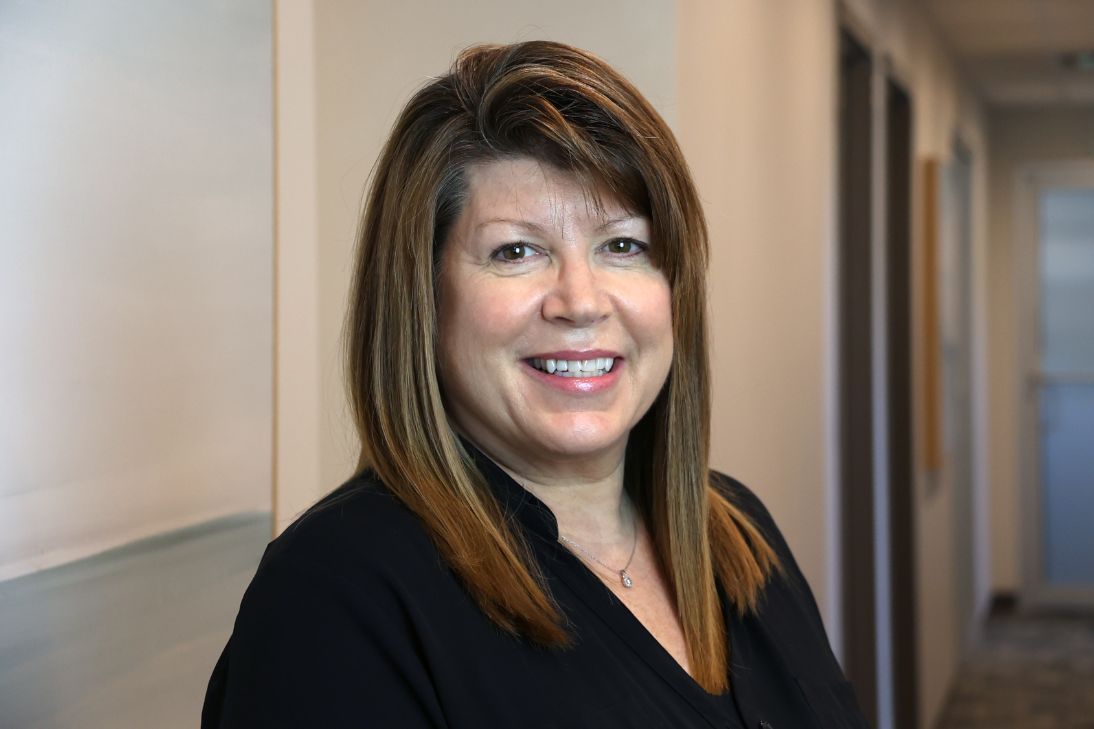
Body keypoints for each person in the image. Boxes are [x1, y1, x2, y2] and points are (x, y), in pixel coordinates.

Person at [202, 40, 869, 729]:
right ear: (423, 301)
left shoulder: (737, 532)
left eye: (623, 245)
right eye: (516, 251)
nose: (580, 301)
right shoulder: (335, 597)